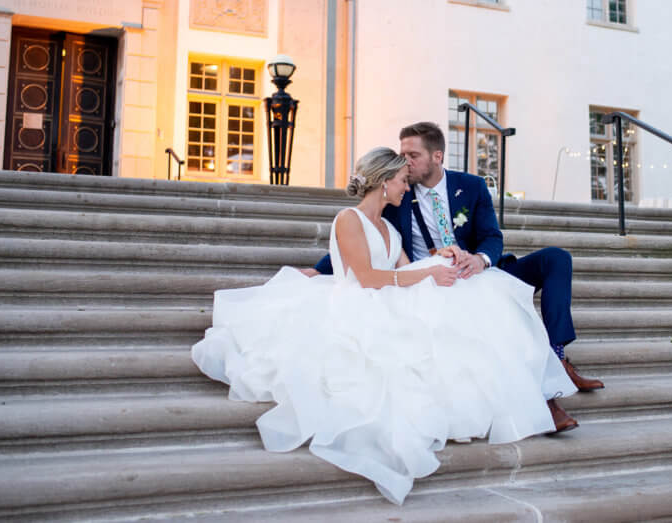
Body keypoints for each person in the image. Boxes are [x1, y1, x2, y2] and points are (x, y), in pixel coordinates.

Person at [192, 146, 577, 505]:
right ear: (383, 181)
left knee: (459, 283)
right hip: (357, 302)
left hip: (386, 297)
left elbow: (405, 268)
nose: (405, 187)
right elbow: (365, 276)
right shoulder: (349, 219)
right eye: (401, 181)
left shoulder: (390, 230)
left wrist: (437, 259)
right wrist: (424, 277)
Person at [309, 122, 604, 430]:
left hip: (476, 270)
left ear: (437, 156)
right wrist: (319, 269)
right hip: (433, 279)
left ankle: (557, 356)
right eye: (402, 155)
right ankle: (543, 402)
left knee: (556, 259)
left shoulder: (472, 186)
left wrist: (479, 259)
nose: (405, 162)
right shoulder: (396, 193)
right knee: (487, 315)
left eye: (413, 155)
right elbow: (365, 235)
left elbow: (492, 236)